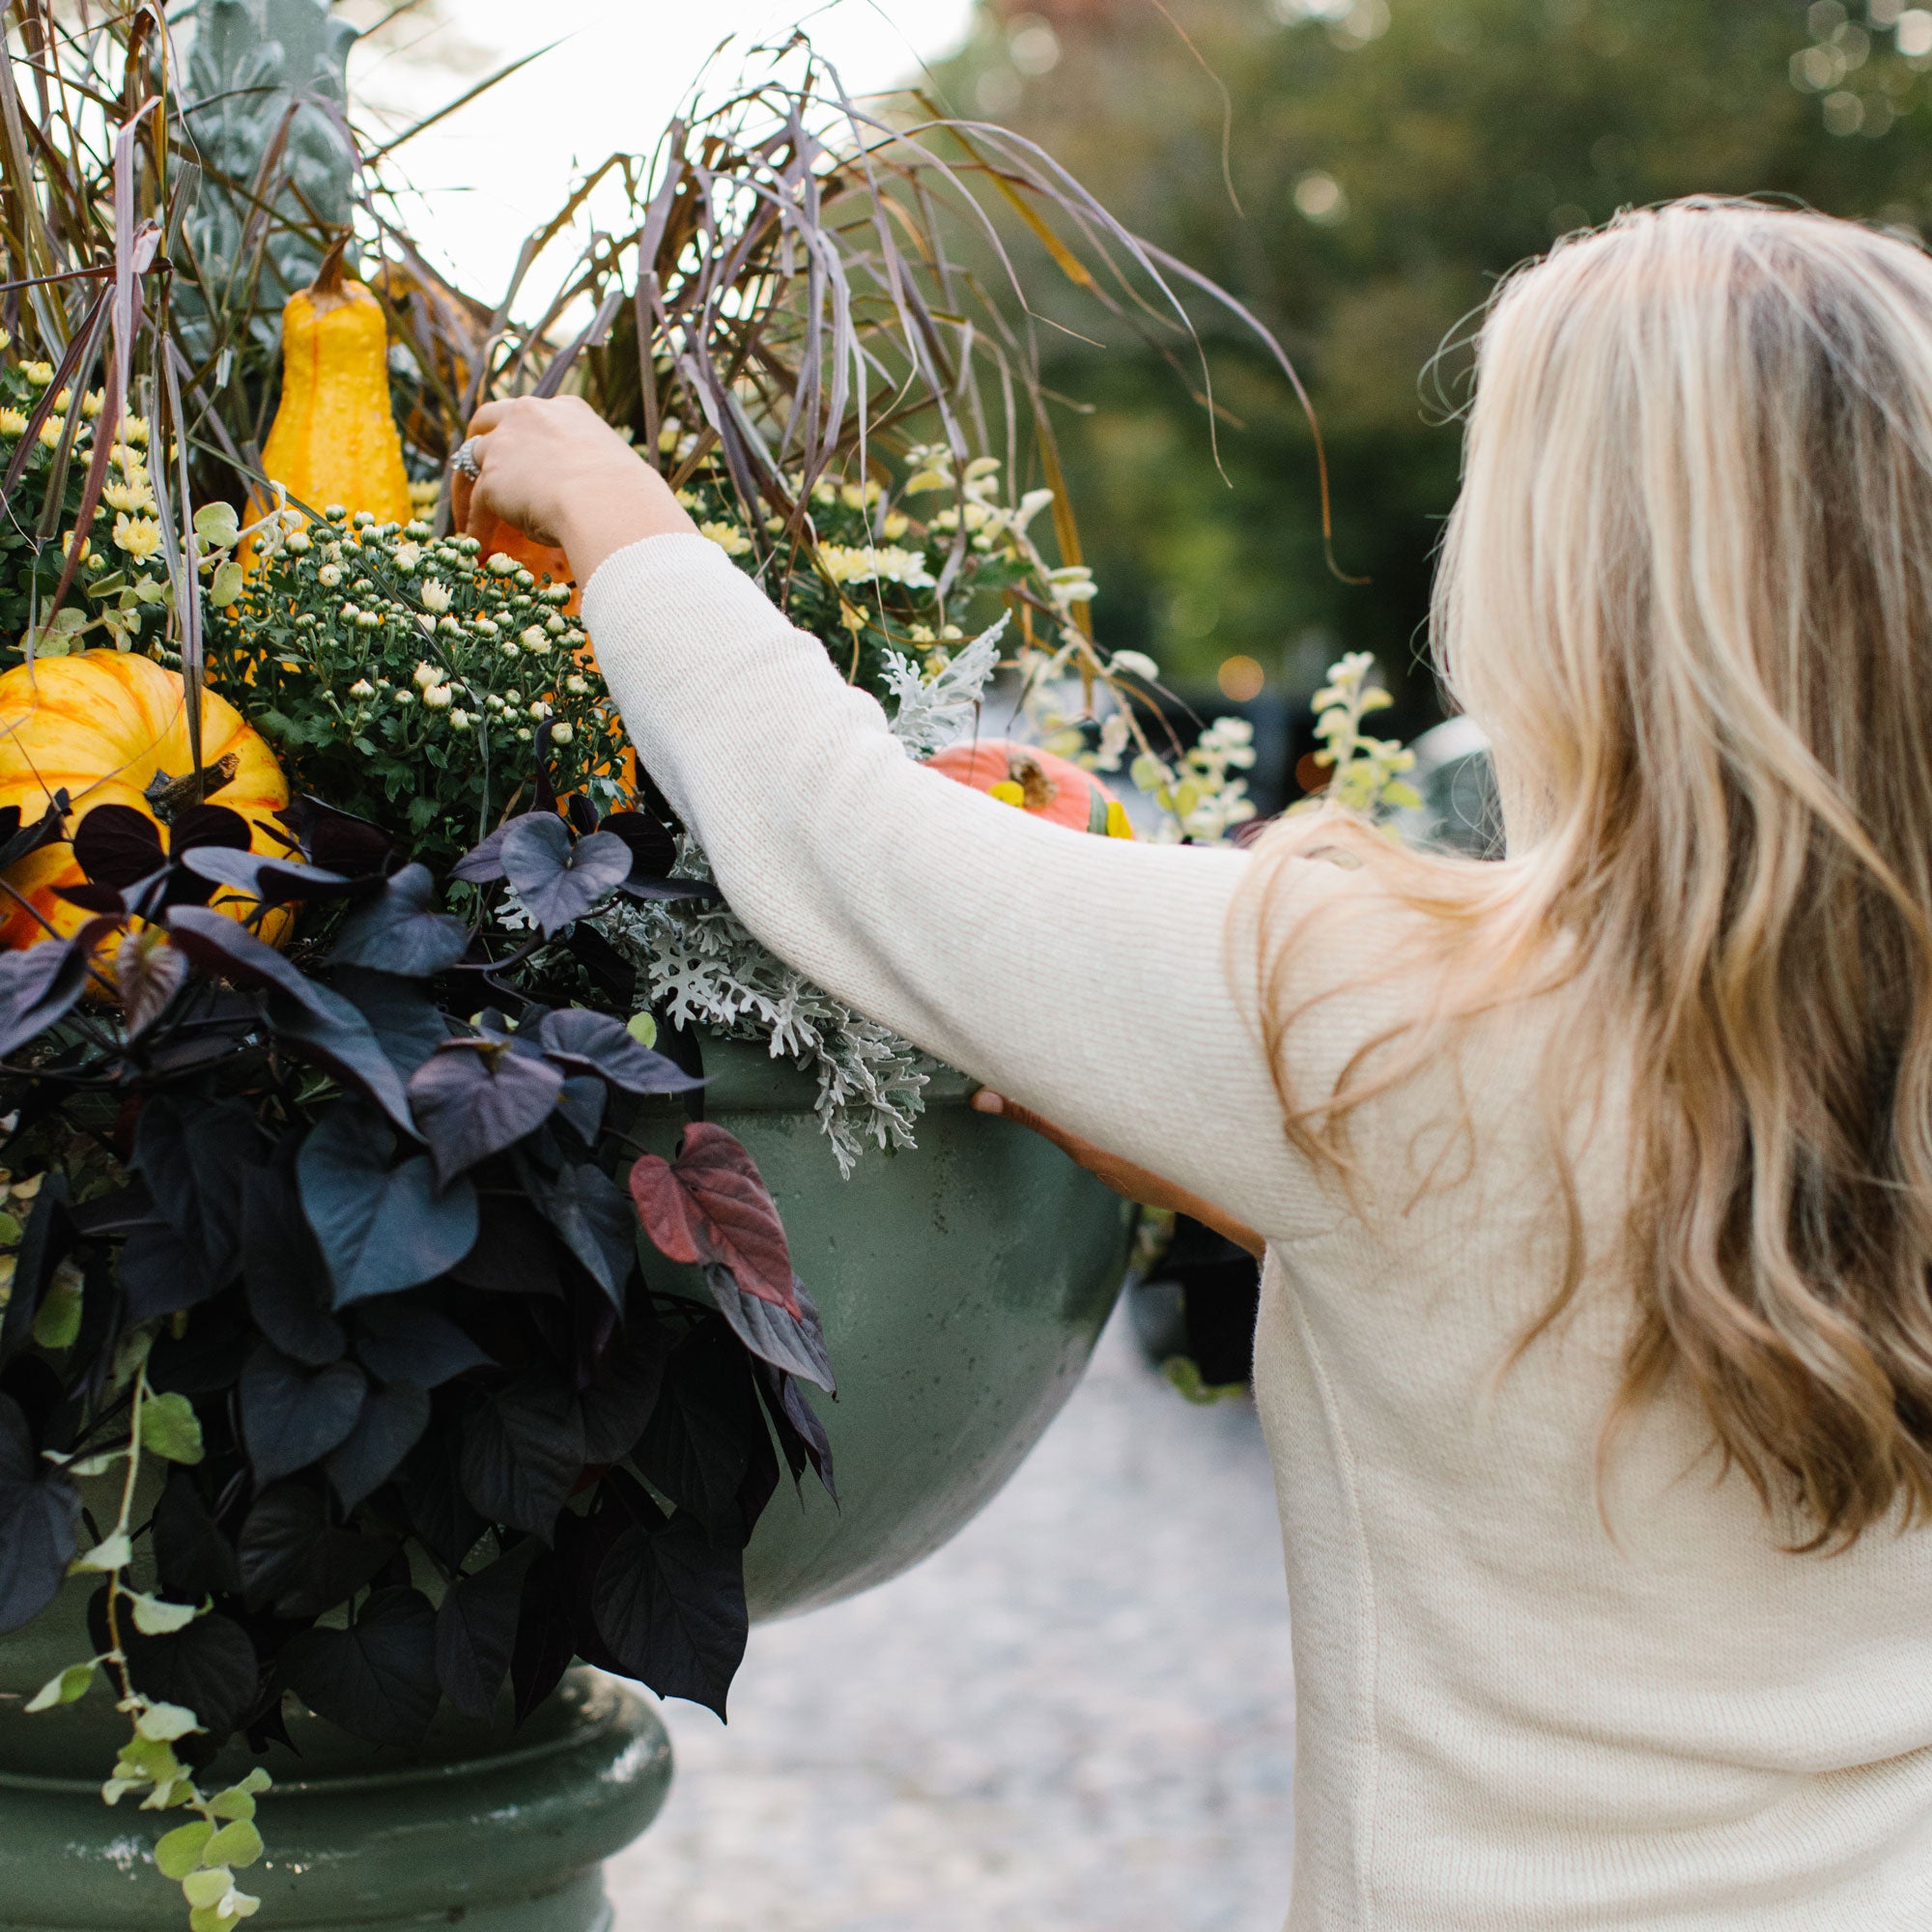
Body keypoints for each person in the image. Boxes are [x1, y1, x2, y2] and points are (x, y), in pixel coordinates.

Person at [458, 200, 1932, 1929]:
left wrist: (612, 506)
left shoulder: (1389, 1017)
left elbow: (848, 846)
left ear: (1572, 579)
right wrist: (1287, 1195)